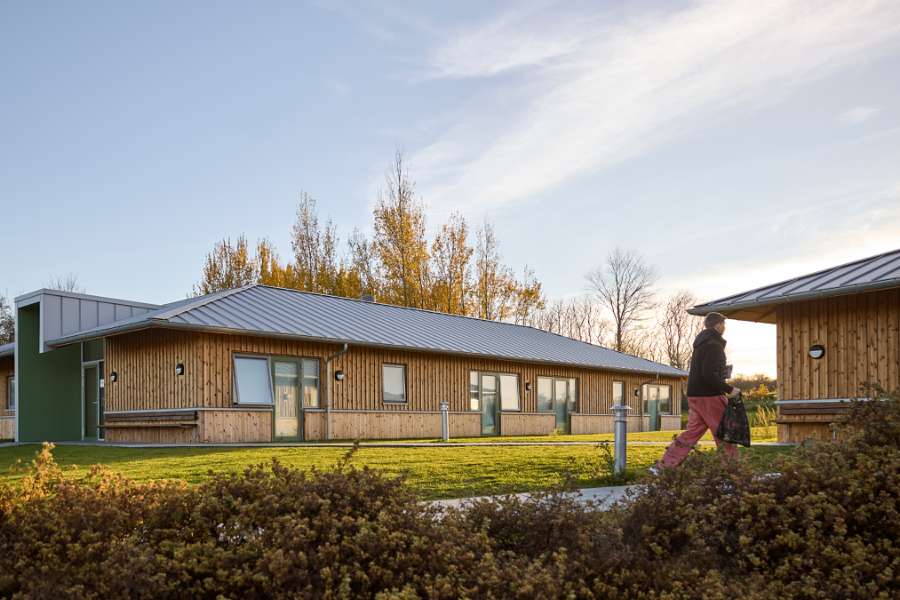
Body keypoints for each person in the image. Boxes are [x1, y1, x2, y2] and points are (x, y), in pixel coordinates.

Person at [653, 311, 740, 471]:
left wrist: (721, 373)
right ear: (718, 325)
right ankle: (732, 471)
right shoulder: (714, 345)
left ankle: (664, 465)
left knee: (691, 433)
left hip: (695, 395)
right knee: (724, 433)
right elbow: (708, 374)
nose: (724, 327)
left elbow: (704, 371)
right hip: (710, 396)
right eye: (723, 324)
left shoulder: (701, 344)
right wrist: (730, 389)